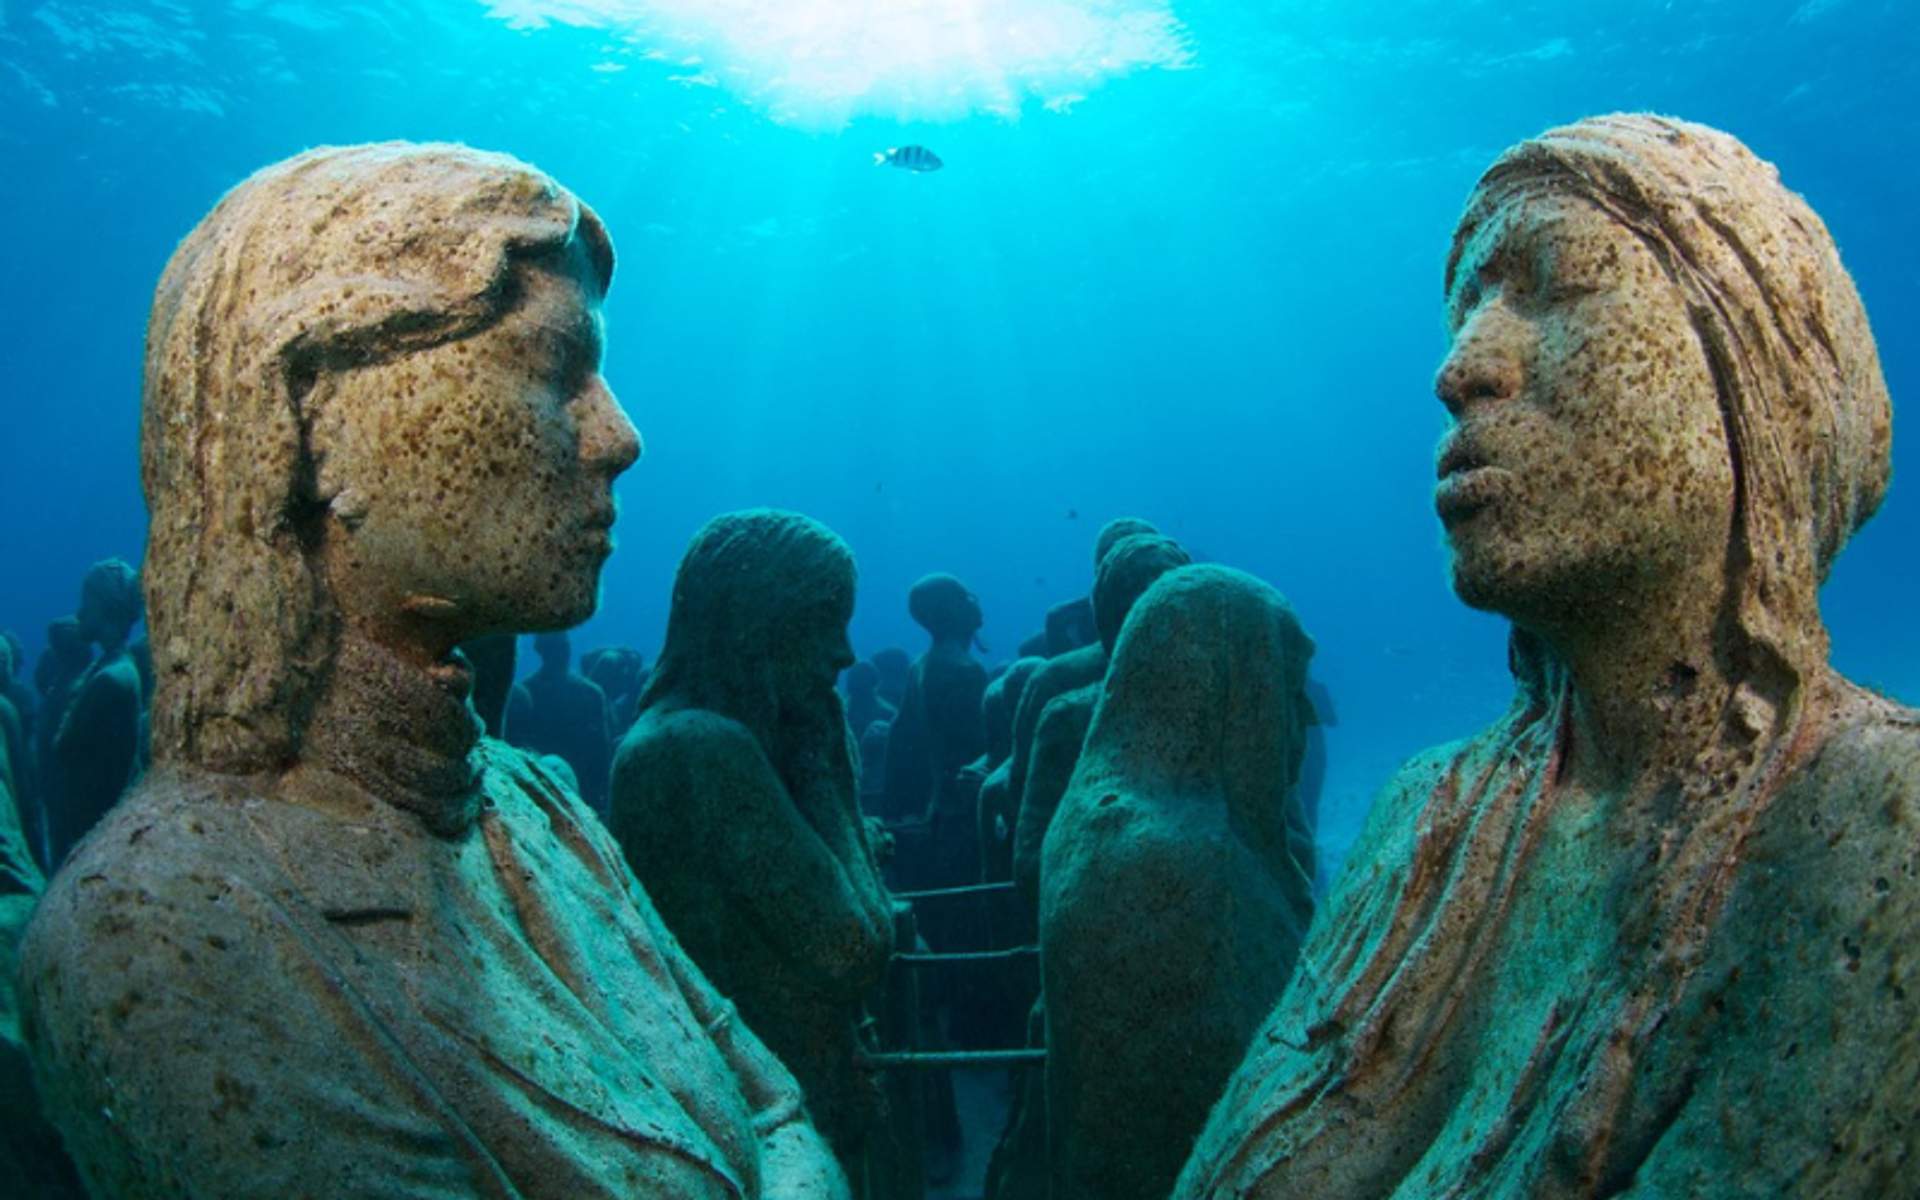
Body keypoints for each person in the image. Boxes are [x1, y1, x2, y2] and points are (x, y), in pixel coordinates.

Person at [19, 142, 847, 1200]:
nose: (621, 436)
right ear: (316, 413)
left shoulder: (539, 807)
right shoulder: (161, 928)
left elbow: (777, 1106)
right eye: (555, 369)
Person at [1176, 114, 1913, 1198]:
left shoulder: (1873, 824)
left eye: (1556, 284)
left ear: (1757, 376)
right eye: (1466, 306)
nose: (1460, 366)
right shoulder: (1429, 811)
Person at [609, 509, 894, 1167]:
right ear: (763, 621)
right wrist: (824, 768)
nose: (844, 652)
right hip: (780, 1120)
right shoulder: (705, 749)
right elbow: (858, 947)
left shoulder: (675, 740)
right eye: (827, 619)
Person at [1041, 565, 1317, 1200]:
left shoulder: (1117, 818)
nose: (1304, 711)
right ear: (1229, 685)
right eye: (1286, 683)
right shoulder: (1178, 867)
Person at [47, 558, 143, 864]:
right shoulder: (107, 670)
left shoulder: (111, 680)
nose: (79, 613)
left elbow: (67, 748)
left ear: (105, 607)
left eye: (86, 602)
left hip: (92, 836)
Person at [505, 630, 615, 817]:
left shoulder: (591, 693)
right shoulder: (528, 693)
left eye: (564, 645)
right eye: (558, 646)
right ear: (541, 650)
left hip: (582, 790)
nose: (563, 651)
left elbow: (602, 752)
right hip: (543, 788)